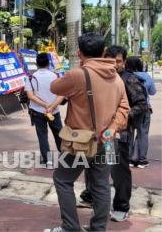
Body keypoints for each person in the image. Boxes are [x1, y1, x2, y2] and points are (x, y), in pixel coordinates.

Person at [45, 34, 129, 232]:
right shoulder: (116, 77)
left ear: (79, 53)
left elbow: (54, 87)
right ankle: (98, 229)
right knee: (101, 185)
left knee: (63, 180)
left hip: (81, 143)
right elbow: (124, 107)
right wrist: (112, 128)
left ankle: (71, 228)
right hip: (108, 141)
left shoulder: (78, 75)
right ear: (103, 52)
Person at [79, 45, 147, 223]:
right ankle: (90, 196)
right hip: (95, 134)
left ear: (124, 62)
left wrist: (119, 121)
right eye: (111, 60)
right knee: (93, 167)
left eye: (118, 61)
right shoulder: (100, 76)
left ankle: (121, 206)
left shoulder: (128, 80)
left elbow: (141, 105)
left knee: (117, 171)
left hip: (116, 137)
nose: (114, 64)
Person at [24, 53, 64, 167]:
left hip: (37, 111)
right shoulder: (56, 76)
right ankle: (65, 159)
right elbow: (62, 95)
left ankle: (48, 161)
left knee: (42, 135)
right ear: (48, 63)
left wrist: (45, 105)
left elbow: (30, 96)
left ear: (37, 64)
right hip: (54, 111)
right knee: (59, 134)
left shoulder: (31, 77)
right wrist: (51, 106)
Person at [125, 56, 156, 168]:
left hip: (129, 108)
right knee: (143, 133)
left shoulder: (126, 76)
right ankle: (141, 160)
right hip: (144, 108)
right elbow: (153, 92)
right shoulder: (146, 76)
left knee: (129, 132)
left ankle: (128, 158)